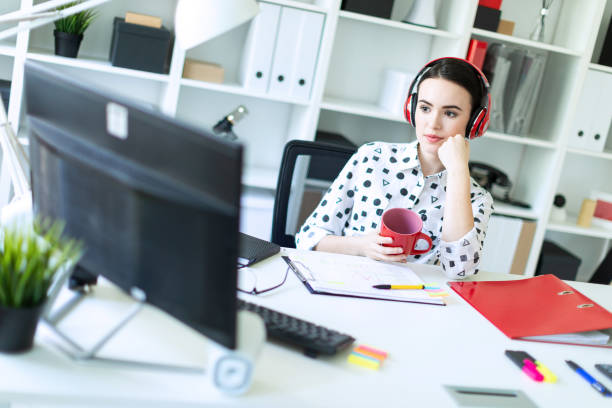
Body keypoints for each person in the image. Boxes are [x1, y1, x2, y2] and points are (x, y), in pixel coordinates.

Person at [295, 57, 494, 279]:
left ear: (474, 121)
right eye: (425, 108)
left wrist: (458, 173)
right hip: (347, 286)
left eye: (450, 113)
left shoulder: (477, 198)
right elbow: (308, 238)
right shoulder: (372, 158)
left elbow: (460, 271)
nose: (433, 123)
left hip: (416, 305)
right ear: (412, 109)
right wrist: (361, 246)